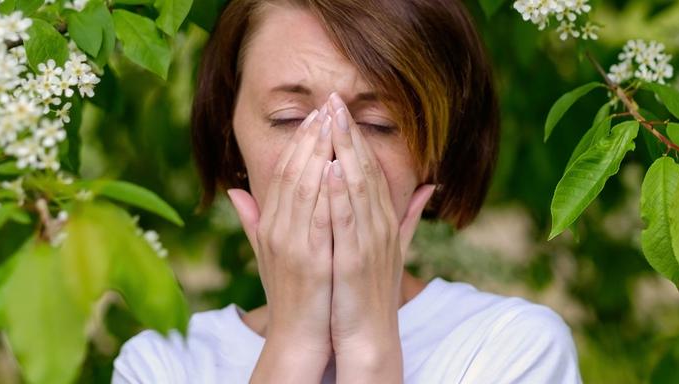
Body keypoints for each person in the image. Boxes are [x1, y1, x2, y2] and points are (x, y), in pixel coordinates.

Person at [112, 0, 581, 382]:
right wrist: (293, 346)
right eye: (289, 118)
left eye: (379, 125)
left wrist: (368, 350)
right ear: (228, 135)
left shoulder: (510, 349)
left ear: (439, 151)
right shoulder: (164, 366)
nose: (334, 159)